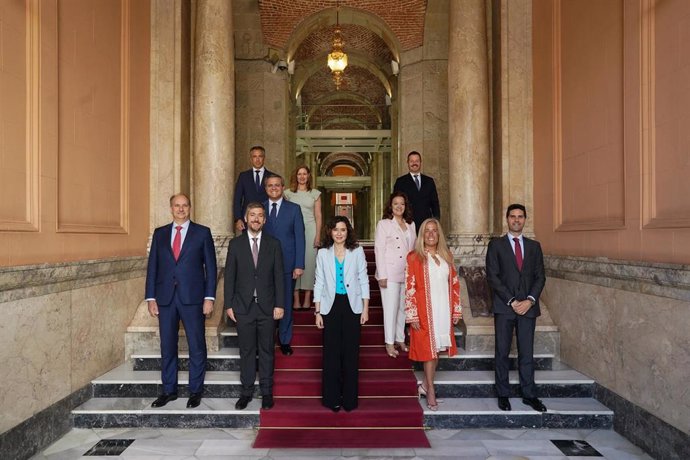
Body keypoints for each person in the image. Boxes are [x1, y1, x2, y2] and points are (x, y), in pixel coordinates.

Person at [145, 194, 217, 409]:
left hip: (193, 298)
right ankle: (169, 390)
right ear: (171, 208)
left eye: (185, 205)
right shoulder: (160, 234)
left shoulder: (202, 233)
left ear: (190, 208)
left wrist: (209, 297)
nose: (181, 209)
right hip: (165, 298)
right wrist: (150, 297)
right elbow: (153, 267)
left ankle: (195, 391)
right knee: (167, 346)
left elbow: (211, 269)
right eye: (177, 205)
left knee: (196, 345)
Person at [486, 203, 547, 413]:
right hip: (504, 307)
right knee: (502, 352)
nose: (516, 220)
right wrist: (512, 301)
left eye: (520, 216)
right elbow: (492, 277)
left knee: (526, 353)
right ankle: (503, 394)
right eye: (513, 216)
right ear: (507, 219)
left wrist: (529, 300)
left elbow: (540, 277)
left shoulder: (534, 247)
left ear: (525, 219)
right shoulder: (496, 245)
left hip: (528, 308)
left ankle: (529, 395)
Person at [224, 202, 284, 411]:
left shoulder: (274, 244)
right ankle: (246, 392)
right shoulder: (235, 245)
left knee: (267, 350)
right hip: (243, 307)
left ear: (264, 220)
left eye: (260, 215)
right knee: (247, 351)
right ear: (246, 218)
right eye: (252, 215)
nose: (256, 219)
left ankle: (267, 392)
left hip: (267, 308)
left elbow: (279, 277)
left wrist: (280, 304)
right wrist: (229, 305)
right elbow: (229, 276)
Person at [314, 216, 370, 412]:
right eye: (336, 229)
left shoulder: (357, 251)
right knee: (331, 354)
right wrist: (318, 311)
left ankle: (349, 400)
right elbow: (319, 282)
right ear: (330, 231)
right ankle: (332, 399)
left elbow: (364, 279)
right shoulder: (322, 253)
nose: (339, 233)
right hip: (330, 306)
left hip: (351, 306)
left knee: (350, 354)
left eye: (343, 230)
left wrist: (366, 308)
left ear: (348, 232)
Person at [405, 218, 462, 411]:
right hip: (424, 309)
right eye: (427, 231)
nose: (430, 234)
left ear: (439, 235)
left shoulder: (446, 256)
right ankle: (430, 390)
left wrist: (456, 309)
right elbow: (409, 286)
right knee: (429, 351)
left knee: (436, 349)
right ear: (422, 235)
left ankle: (423, 385)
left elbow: (454, 284)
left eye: (434, 231)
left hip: (443, 309)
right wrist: (412, 314)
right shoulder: (414, 257)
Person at [262, 174, 305, 356]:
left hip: (288, 265)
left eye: (277, 185)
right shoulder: (259, 209)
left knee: (286, 302)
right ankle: (267, 340)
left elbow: (300, 238)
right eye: (270, 186)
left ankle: (285, 341)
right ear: (266, 188)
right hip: (263, 266)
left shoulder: (294, 209)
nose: (274, 188)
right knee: (265, 303)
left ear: (283, 187)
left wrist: (299, 264)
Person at [374, 192, 416, 358]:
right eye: (396, 204)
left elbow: (413, 248)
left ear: (406, 206)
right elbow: (379, 249)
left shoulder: (411, 224)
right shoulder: (384, 224)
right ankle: (389, 342)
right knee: (390, 309)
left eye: (402, 204)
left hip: (407, 271)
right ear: (390, 206)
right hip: (389, 272)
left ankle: (400, 338)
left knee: (402, 308)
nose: (399, 207)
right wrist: (382, 274)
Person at [284, 165, 322, 310]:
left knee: (309, 262)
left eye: (304, 174)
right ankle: (295, 299)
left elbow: (318, 216)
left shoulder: (315, 193)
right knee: (293, 261)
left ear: (308, 176)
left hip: (310, 229)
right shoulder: (287, 193)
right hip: (292, 230)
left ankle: (307, 297)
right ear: (296, 176)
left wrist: (318, 235)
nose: (302, 176)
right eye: (299, 174)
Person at [393, 151, 440, 232]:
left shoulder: (429, 181)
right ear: (407, 163)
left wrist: (436, 220)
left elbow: (435, 203)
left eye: (417, 161)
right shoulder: (400, 181)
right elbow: (395, 203)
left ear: (420, 162)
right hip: (407, 223)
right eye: (412, 161)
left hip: (426, 224)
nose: (414, 163)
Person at [233, 146, 274, 234]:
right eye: (254, 157)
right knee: (248, 246)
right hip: (247, 220)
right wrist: (238, 219)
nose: (257, 159)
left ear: (264, 158)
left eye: (260, 156)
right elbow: (237, 199)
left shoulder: (272, 176)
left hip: (267, 220)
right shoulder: (243, 176)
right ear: (251, 159)